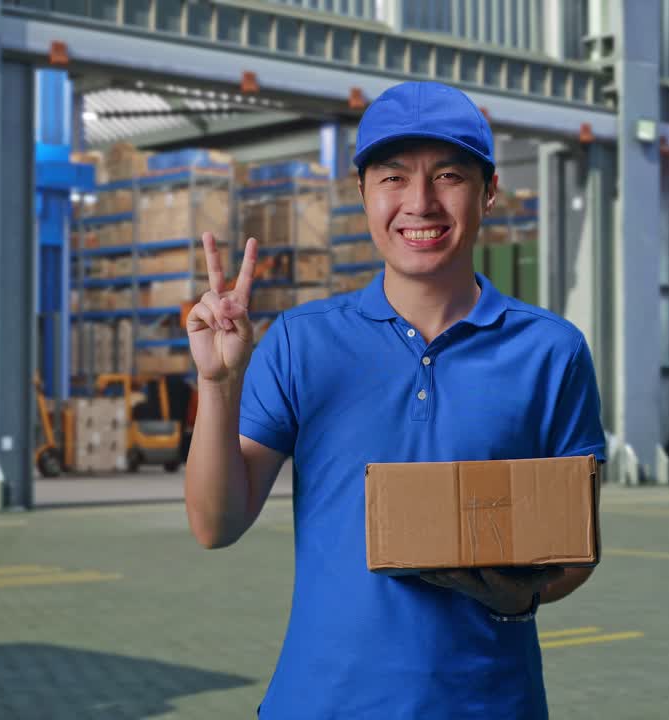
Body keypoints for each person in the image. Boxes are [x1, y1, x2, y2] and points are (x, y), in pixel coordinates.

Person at [182, 80, 607, 719]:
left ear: (489, 191)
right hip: (322, 705)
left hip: (488, 706)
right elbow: (215, 525)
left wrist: (520, 597)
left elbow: (574, 545)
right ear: (362, 193)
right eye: (393, 178)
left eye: (448, 176)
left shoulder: (551, 352)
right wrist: (217, 384)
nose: (420, 202)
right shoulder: (300, 342)